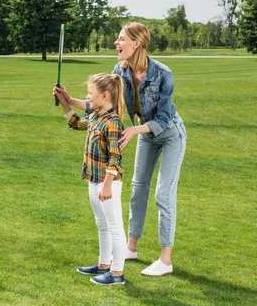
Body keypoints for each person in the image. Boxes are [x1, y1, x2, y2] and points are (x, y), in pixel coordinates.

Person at [54, 22, 187, 277]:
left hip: (170, 134)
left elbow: (165, 117)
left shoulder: (162, 73)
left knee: (163, 194)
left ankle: (165, 260)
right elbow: (101, 106)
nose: (116, 43)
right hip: (144, 134)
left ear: (135, 43)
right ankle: (131, 248)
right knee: (138, 189)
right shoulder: (120, 71)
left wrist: (136, 130)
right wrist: (68, 100)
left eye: (121, 38)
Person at [54, 73, 127, 285]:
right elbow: (76, 123)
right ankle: (104, 264)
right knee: (101, 224)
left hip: (108, 184)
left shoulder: (113, 122)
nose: (87, 97)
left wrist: (107, 185)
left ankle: (117, 273)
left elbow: (115, 157)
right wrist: (64, 103)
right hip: (94, 180)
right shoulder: (95, 115)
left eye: (90, 93)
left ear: (104, 96)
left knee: (114, 227)